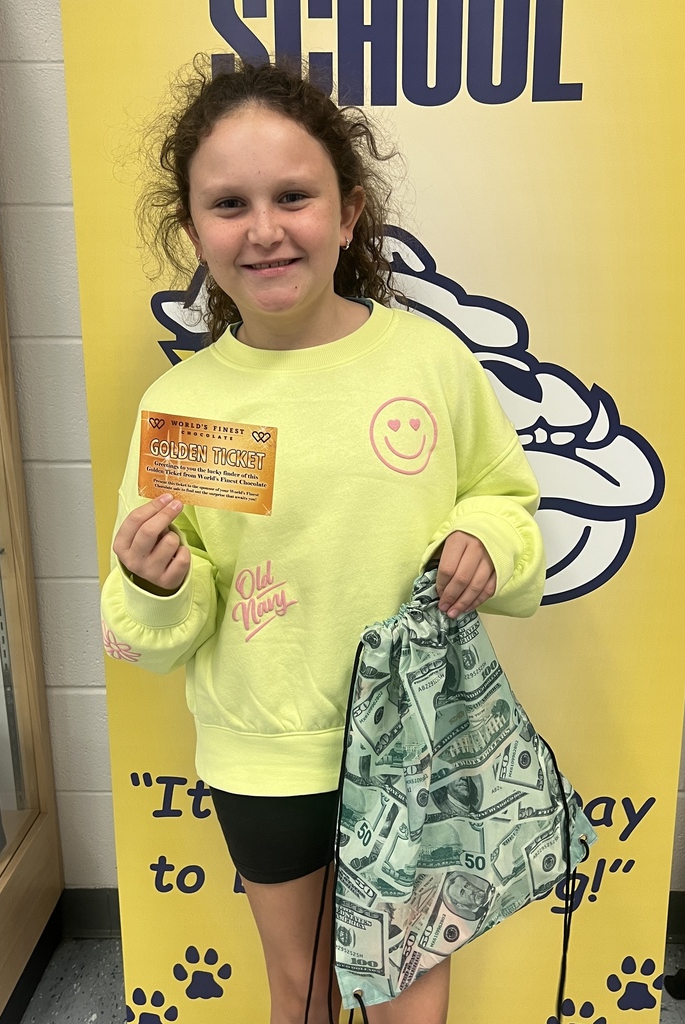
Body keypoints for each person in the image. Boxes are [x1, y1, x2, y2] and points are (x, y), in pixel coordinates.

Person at [101, 56, 545, 1024]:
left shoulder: (429, 361)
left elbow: (507, 500)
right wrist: (155, 583)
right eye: (229, 204)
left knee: (409, 997)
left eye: (293, 195)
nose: (264, 227)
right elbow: (158, 627)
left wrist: (483, 534)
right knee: (299, 989)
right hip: (265, 755)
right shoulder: (181, 409)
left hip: (418, 743)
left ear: (348, 214)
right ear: (194, 231)